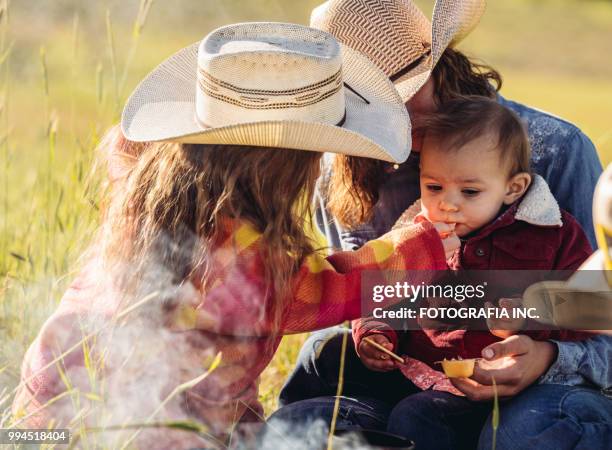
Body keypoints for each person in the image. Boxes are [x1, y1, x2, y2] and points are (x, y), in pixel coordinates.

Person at [11, 23, 459, 449]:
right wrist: (425, 239)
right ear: (279, 171)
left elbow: (123, 147)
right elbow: (333, 288)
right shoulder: (250, 264)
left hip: (49, 403)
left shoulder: (147, 189)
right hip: (155, 428)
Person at [276, 1, 611, 449]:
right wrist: (372, 335)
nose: (390, 124)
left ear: (438, 67)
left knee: (526, 432)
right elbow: (357, 302)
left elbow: (601, 314)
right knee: (303, 425)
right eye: (369, 112)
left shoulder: (556, 149)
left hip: (542, 390)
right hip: (416, 384)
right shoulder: (346, 176)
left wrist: (547, 358)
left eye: (402, 96)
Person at [351, 96, 598, 449]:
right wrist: (377, 332)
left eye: (470, 191)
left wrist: (532, 313)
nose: (448, 204)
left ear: (513, 187)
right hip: (434, 381)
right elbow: (382, 297)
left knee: (521, 430)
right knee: (412, 416)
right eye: (434, 187)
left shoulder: (552, 234)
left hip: (525, 386)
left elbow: (590, 309)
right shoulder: (414, 235)